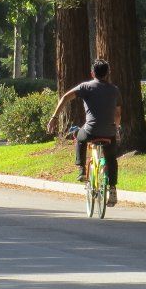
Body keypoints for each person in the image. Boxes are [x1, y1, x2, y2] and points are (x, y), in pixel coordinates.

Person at [46, 58, 122, 204]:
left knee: (79, 136)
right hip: (109, 132)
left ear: (92, 72)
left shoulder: (85, 87)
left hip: (90, 130)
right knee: (111, 158)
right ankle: (112, 188)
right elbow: (118, 114)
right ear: (108, 73)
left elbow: (65, 97)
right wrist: (115, 128)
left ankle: (81, 168)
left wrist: (54, 117)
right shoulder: (115, 90)